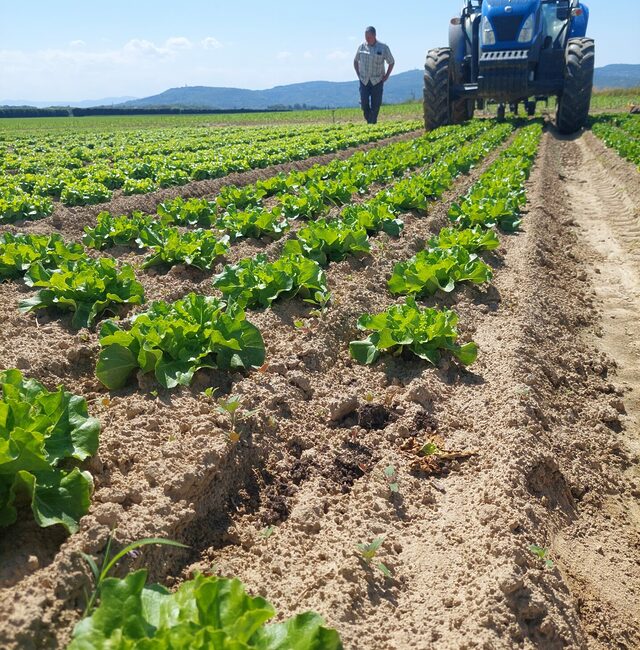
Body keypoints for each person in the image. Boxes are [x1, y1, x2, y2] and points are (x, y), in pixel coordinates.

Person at [353, 26, 395, 125]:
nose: (367, 39)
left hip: (377, 80)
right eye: (366, 36)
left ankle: (372, 123)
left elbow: (391, 62)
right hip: (364, 80)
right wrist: (358, 74)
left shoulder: (383, 47)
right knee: (364, 103)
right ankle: (370, 121)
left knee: (376, 105)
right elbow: (355, 61)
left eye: (369, 36)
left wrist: (386, 76)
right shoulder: (362, 47)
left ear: (374, 35)